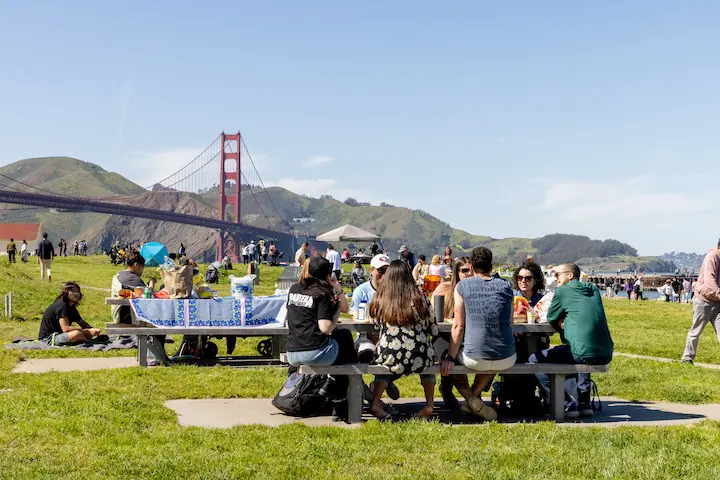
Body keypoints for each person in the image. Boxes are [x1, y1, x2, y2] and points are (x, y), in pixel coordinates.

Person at [529, 263, 614, 418]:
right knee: (578, 347)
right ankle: (584, 402)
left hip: (582, 352)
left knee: (534, 359)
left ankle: (566, 403)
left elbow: (551, 317)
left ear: (570, 275)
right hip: (606, 352)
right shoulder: (593, 289)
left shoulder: (562, 291)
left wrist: (562, 325)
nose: (554, 278)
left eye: (557, 275)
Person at [440, 247, 516, 421]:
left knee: (446, 357)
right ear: (491, 266)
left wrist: (450, 357)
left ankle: (470, 399)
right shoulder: (506, 286)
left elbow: (458, 325)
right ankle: (474, 400)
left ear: (472, 267)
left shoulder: (462, 285)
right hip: (507, 357)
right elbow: (510, 322)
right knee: (491, 353)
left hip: (476, 358)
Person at [285, 257, 358, 422]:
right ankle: (340, 399)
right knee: (344, 339)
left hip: (292, 352)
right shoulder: (322, 293)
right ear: (327, 273)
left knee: (341, 347)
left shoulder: (295, 289)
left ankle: (336, 391)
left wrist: (336, 288)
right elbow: (326, 327)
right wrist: (336, 309)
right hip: (313, 353)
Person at [367, 260, 439, 420]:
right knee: (429, 361)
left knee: (384, 362)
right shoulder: (421, 297)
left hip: (391, 354)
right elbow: (433, 329)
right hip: (420, 355)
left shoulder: (380, 298)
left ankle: (375, 403)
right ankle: (429, 405)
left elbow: (374, 323)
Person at [431, 256, 473, 409]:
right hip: (442, 338)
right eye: (465, 270)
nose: (469, 274)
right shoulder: (444, 289)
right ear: (457, 272)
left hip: (467, 340)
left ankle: (474, 395)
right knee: (450, 357)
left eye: (472, 270)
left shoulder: (478, 292)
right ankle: (469, 398)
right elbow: (432, 317)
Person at [681, 240, 720, 365]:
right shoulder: (712, 257)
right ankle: (687, 358)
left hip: (717, 303)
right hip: (704, 301)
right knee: (696, 331)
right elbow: (710, 282)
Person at [38, 282, 103, 345]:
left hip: (61, 335)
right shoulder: (61, 305)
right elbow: (66, 329)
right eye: (74, 291)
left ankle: (87, 339)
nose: (77, 294)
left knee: (84, 333)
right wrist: (87, 331)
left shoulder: (71, 307)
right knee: (77, 334)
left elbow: (82, 323)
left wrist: (92, 330)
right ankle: (89, 342)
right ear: (66, 292)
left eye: (78, 292)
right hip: (49, 338)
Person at [111, 254, 154, 324]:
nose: (143, 269)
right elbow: (148, 294)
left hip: (119, 312)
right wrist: (152, 283)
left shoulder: (120, 274)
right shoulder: (132, 278)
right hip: (128, 316)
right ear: (136, 265)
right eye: (143, 266)